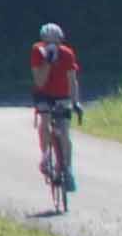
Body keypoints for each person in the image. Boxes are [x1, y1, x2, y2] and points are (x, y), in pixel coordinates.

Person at [28, 24, 82, 211]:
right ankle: (45, 156)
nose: (52, 45)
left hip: (62, 95)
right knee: (44, 121)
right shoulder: (37, 51)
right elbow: (39, 81)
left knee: (65, 131)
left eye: (55, 42)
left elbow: (72, 80)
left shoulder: (67, 54)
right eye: (48, 42)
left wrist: (76, 102)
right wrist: (47, 62)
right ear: (43, 42)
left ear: (61, 41)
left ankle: (67, 168)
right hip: (43, 94)